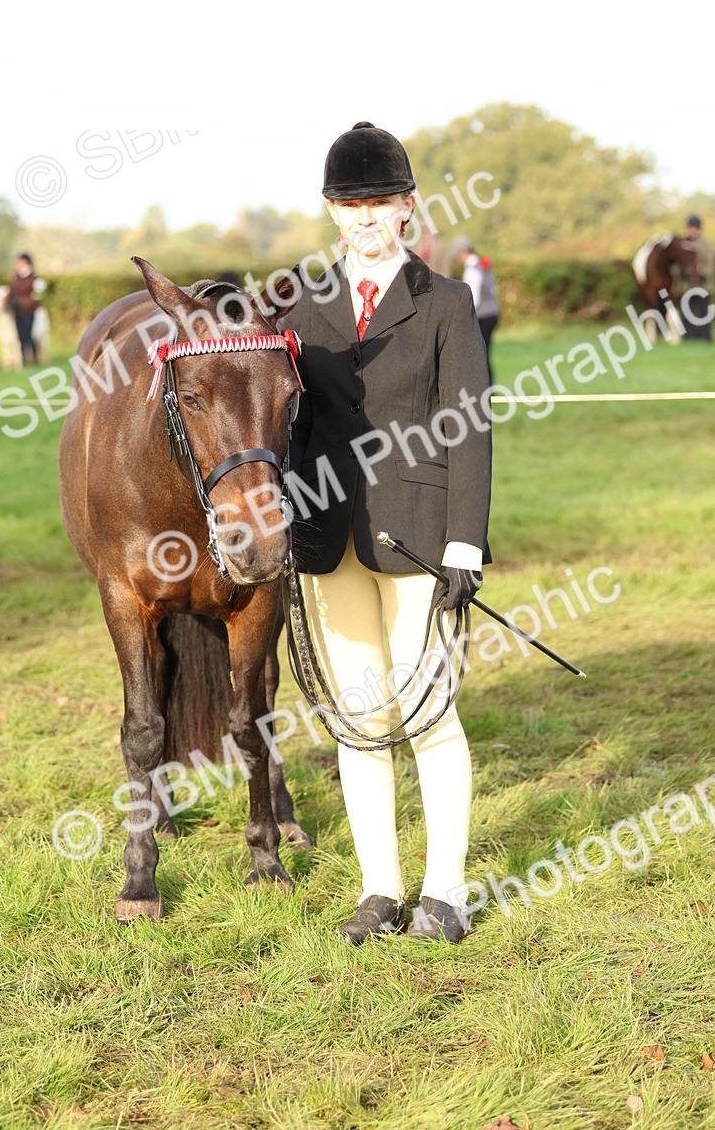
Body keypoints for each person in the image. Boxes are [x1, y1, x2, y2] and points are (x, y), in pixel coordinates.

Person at [282, 122, 492, 944]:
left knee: (428, 711)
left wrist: (465, 542)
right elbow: (291, 426)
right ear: (333, 212)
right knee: (359, 718)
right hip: (328, 542)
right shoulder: (303, 303)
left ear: (408, 207)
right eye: (349, 204)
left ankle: (446, 891)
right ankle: (381, 888)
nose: (364, 218)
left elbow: (468, 426)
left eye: (378, 202)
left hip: (418, 538)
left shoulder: (444, 302)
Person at [450, 235, 500, 375]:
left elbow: (473, 300)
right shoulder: (483, 264)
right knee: (485, 354)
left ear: (463, 253)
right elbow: (493, 290)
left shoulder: (472, 270)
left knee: (480, 356)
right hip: (491, 313)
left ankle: (486, 389)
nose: (456, 259)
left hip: (482, 317)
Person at [677, 215, 713, 342]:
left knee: (704, 311)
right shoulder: (682, 243)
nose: (693, 230)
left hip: (702, 284)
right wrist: (680, 272)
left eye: (695, 227)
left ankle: (706, 337)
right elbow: (675, 263)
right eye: (691, 227)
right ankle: (688, 337)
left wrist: (705, 272)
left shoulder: (705, 243)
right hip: (686, 285)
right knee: (686, 312)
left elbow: (710, 261)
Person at [6, 253, 46, 365]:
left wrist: (25, 302)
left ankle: (34, 358)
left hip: (30, 311)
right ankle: (23, 359)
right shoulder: (15, 278)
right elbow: (11, 292)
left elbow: (38, 296)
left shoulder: (36, 279)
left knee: (30, 335)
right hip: (17, 310)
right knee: (21, 335)